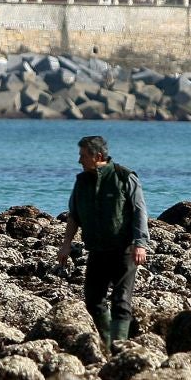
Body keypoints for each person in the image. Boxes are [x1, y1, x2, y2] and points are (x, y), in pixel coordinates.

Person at [57, 135, 150, 353]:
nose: (79, 160)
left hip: (125, 249)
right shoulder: (81, 182)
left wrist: (140, 243)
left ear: (97, 156)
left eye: (82, 155)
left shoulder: (124, 176)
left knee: (121, 300)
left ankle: (118, 347)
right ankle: (108, 343)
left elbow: (139, 211)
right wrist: (66, 244)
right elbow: (74, 215)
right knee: (93, 300)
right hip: (97, 250)